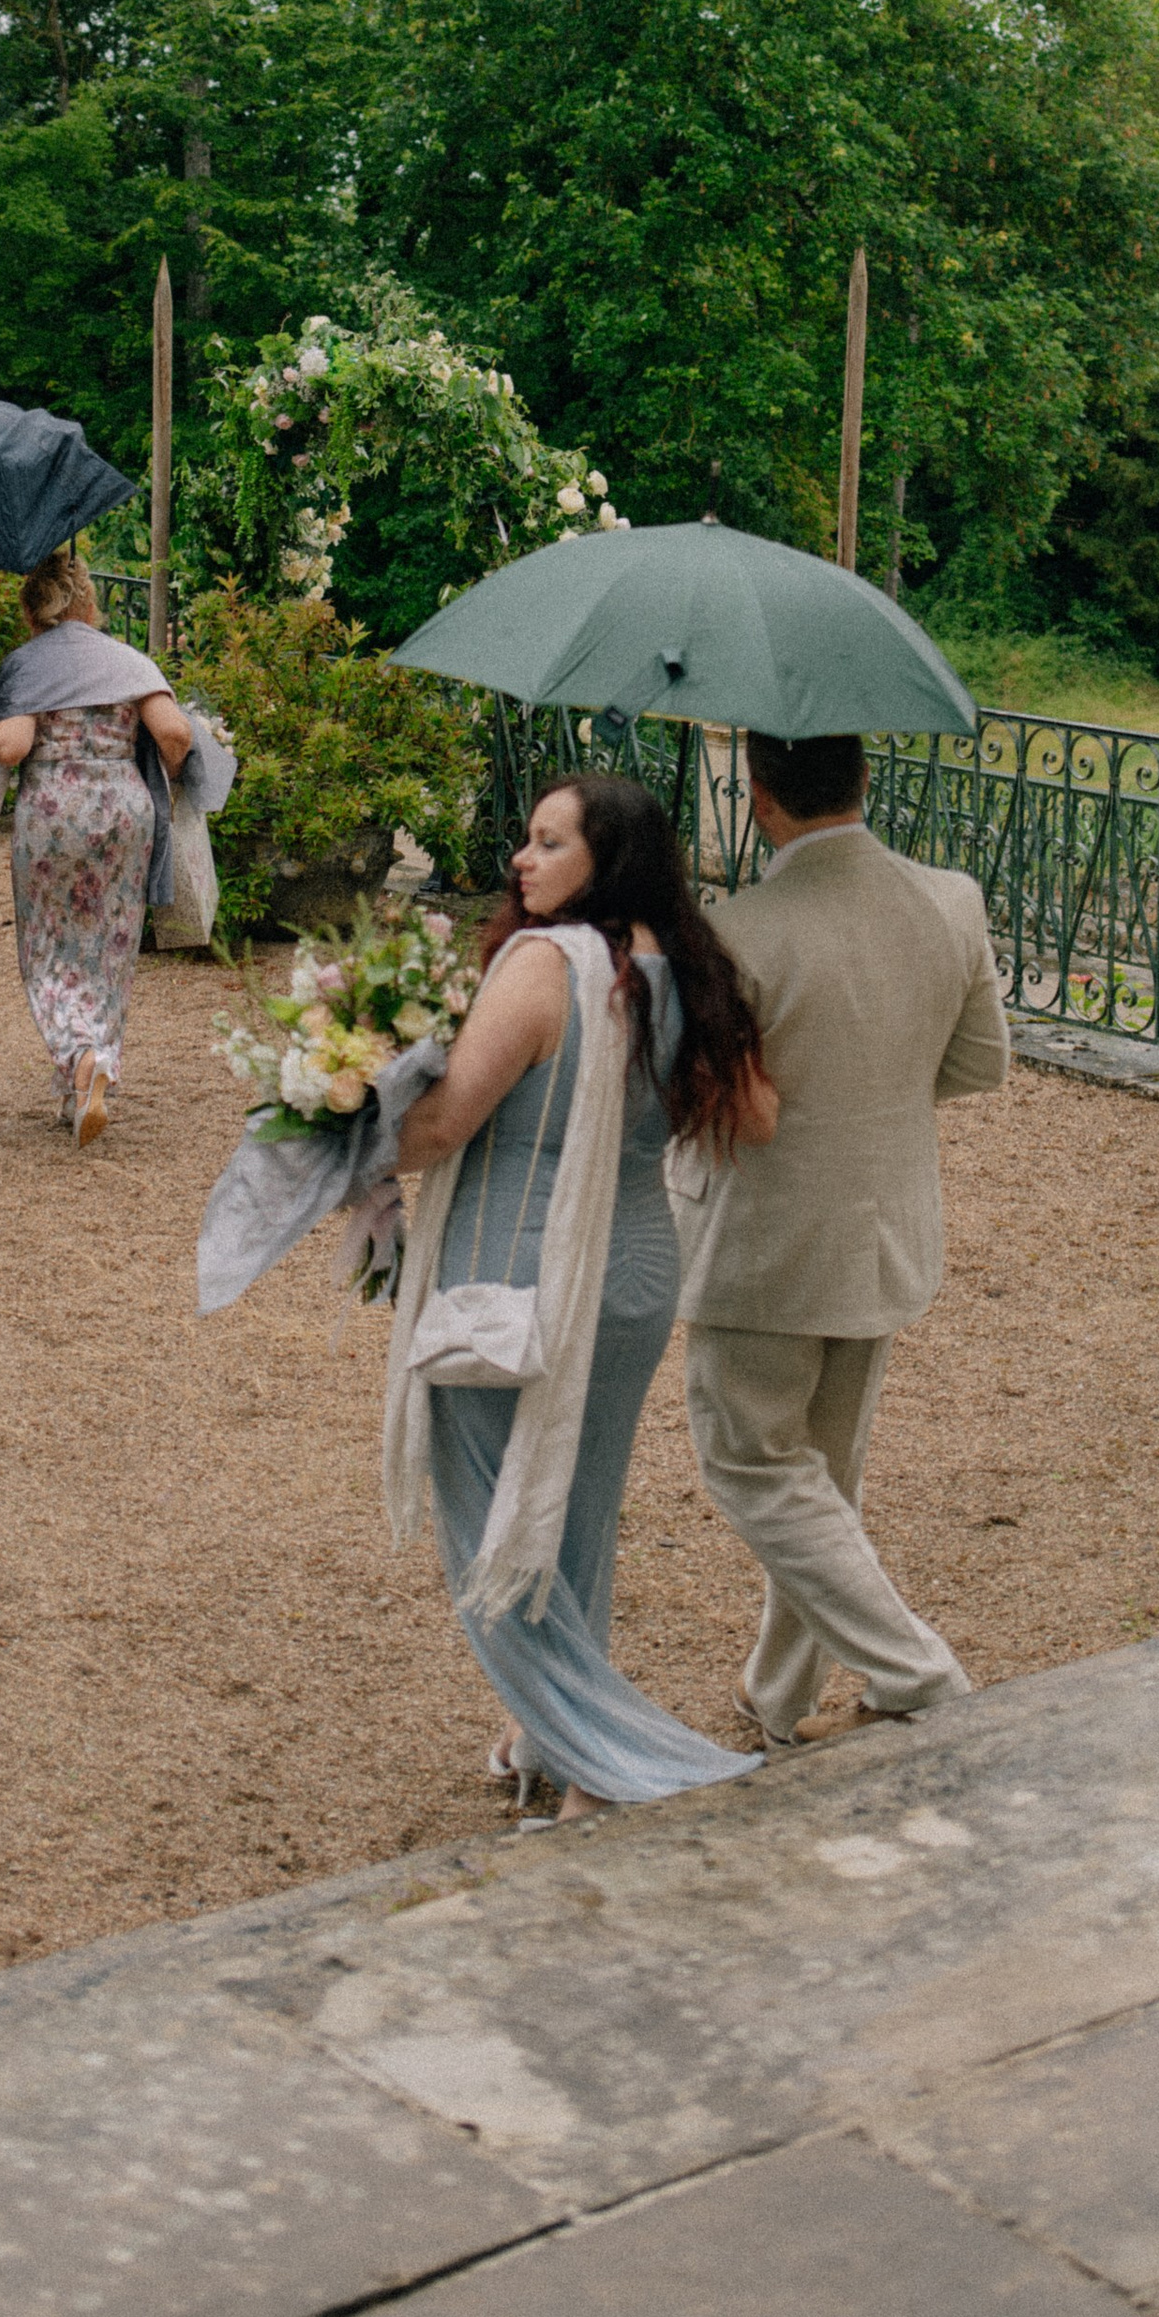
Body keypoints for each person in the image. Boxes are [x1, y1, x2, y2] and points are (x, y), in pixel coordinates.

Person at [390, 773, 771, 1820]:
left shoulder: (546, 965)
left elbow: (441, 1126)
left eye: (550, 842)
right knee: (577, 1509)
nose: (522, 857)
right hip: (638, 1270)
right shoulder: (689, 968)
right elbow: (754, 1115)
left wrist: (331, 1125)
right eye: (526, 836)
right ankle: (542, 1742)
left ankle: (600, 1757)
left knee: (495, 1518)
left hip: (521, 1274)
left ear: (609, 859)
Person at [676, 725, 1012, 1746]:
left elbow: (711, 1106)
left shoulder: (737, 926)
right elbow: (980, 1063)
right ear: (864, 779)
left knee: (751, 1464)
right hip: (886, 1231)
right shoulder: (948, 899)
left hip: (763, 1244)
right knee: (820, 1477)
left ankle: (915, 1668)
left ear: (759, 795)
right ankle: (777, 1693)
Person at [0, 557, 197, 1143]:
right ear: (89, 604)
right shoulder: (129, 661)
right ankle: (94, 1069)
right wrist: (159, 777)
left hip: (53, 817)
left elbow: (11, 746)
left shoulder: (26, 665)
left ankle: (78, 1057)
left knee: (47, 945)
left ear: (31, 612)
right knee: (111, 946)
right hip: (124, 812)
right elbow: (175, 733)